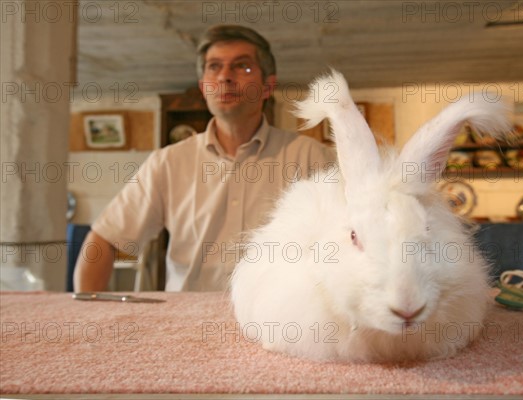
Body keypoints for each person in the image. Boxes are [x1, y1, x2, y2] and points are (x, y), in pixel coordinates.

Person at [74, 25, 335, 292]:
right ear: (203, 88)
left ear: (268, 86)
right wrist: (88, 320)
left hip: (281, 321)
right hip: (185, 322)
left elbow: (349, 241)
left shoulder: (311, 158)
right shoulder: (168, 163)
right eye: (214, 67)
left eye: (242, 66)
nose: (224, 77)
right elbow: (103, 241)